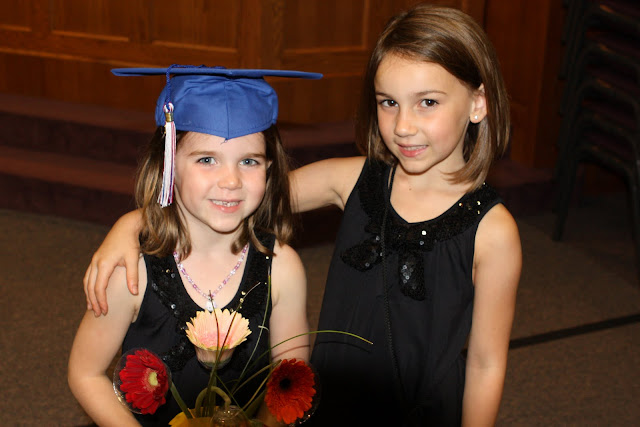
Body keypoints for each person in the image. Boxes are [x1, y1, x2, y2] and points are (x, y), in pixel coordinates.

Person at [82, 4, 522, 426]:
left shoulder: (492, 231)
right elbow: (239, 196)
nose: (403, 125)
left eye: (427, 102)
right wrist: (132, 223)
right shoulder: (354, 181)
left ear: (478, 103)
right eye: (388, 102)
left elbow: (486, 363)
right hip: (333, 409)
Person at [68, 65, 322, 426]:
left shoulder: (282, 267)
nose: (231, 180)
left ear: (269, 169)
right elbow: (86, 373)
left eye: (249, 161)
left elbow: (290, 381)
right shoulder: (132, 268)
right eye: (206, 159)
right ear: (169, 164)